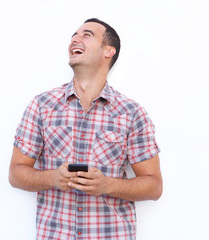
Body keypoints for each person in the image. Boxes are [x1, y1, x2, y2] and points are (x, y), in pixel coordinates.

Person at [9, 18, 163, 240]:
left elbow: (154, 185)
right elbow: (15, 173)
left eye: (87, 34)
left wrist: (107, 185)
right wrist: (52, 178)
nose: (75, 39)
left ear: (108, 51)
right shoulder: (42, 105)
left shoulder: (132, 113)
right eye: (74, 35)